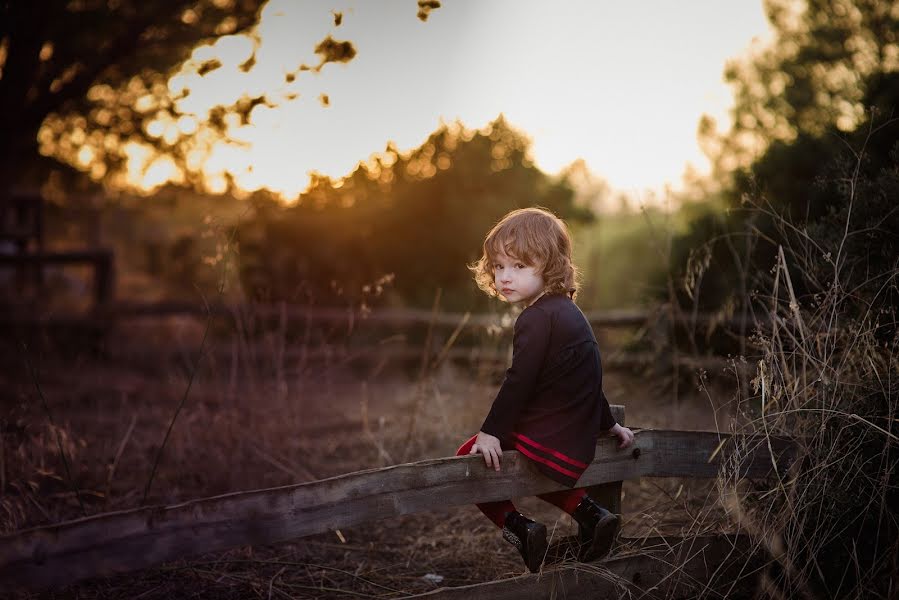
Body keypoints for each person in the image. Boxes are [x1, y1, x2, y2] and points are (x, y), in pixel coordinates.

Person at [457, 207, 634, 573]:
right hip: (574, 434)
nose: (505, 277)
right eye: (499, 266)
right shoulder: (569, 312)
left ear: (550, 265)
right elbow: (586, 377)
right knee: (533, 464)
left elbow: (520, 380)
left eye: (519, 267)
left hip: (554, 432)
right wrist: (608, 424)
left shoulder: (535, 318)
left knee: (469, 457)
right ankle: (591, 514)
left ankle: (520, 529)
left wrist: (490, 432)